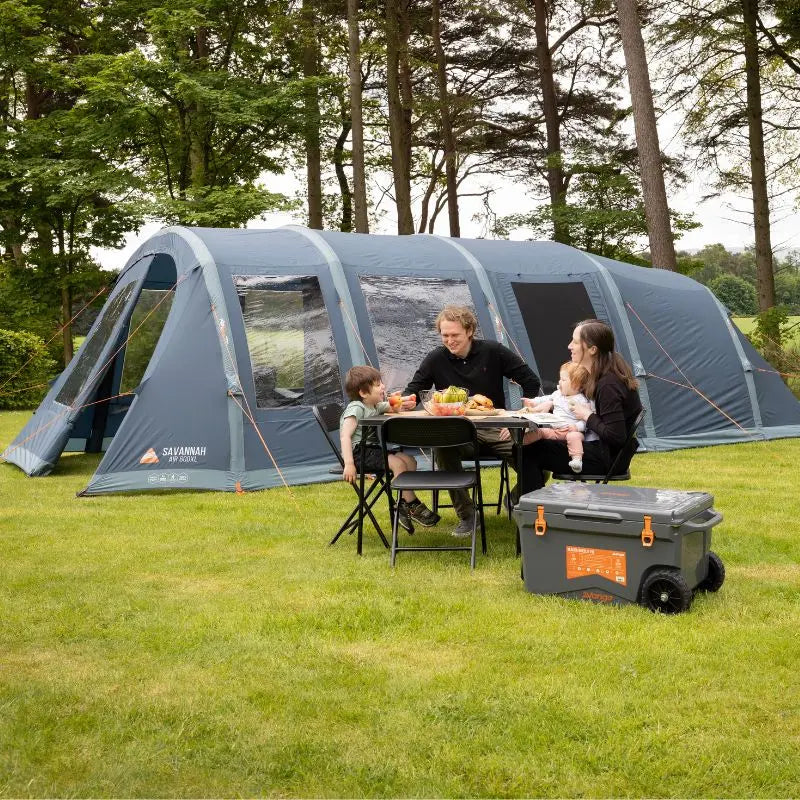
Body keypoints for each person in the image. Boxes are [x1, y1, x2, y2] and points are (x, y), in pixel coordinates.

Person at [404, 305, 541, 536]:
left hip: (496, 429)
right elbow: (414, 390)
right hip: (458, 432)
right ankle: (468, 515)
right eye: (445, 335)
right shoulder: (436, 358)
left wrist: (519, 417)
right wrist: (408, 400)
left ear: (469, 331)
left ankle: (515, 497)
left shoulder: (493, 351)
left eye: (454, 335)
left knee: (538, 457)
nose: (449, 341)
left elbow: (531, 381)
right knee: (442, 448)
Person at [520, 319, 642, 491]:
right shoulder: (602, 374)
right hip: (602, 450)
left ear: (593, 349)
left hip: (606, 458)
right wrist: (551, 404)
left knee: (528, 449)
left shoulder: (608, 384)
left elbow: (616, 437)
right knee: (529, 446)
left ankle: (530, 503)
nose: (569, 346)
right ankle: (530, 500)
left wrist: (587, 416)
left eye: (575, 342)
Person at [340, 365, 440, 532]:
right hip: (358, 453)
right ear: (363, 393)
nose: (383, 387)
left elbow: (393, 407)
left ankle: (402, 504)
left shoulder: (374, 405)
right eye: (378, 385)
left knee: (410, 460)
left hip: (372, 450)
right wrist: (349, 464)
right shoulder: (356, 408)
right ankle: (411, 504)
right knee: (398, 464)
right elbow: (345, 436)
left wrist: (402, 402)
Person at [521, 362, 598, 473]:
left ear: (576, 385)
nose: (559, 382)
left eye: (563, 380)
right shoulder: (558, 394)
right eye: (560, 379)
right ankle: (521, 442)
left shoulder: (581, 400)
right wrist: (533, 402)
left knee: (574, 437)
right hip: (556, 431)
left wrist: (577, 427)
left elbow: (586, 420)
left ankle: (577, 460)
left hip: (571, 431)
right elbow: (545, 398)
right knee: (540, 432)